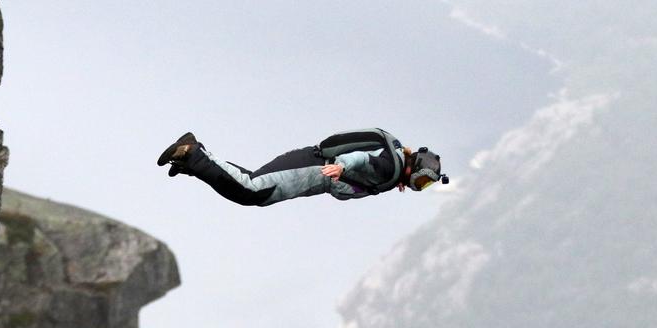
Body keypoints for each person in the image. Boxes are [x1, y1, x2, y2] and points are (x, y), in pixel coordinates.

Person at [157, 128, 448, 207]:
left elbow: (369, 166)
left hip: (311, 164)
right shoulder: (388, 167)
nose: (417, 187)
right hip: (315, 168)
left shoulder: (392, 164)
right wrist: (342, 168)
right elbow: (361, 159)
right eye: (421, 182)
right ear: (416, 168)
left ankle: (191, 161)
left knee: (251, 185)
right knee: (251, 191)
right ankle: (193, 153)